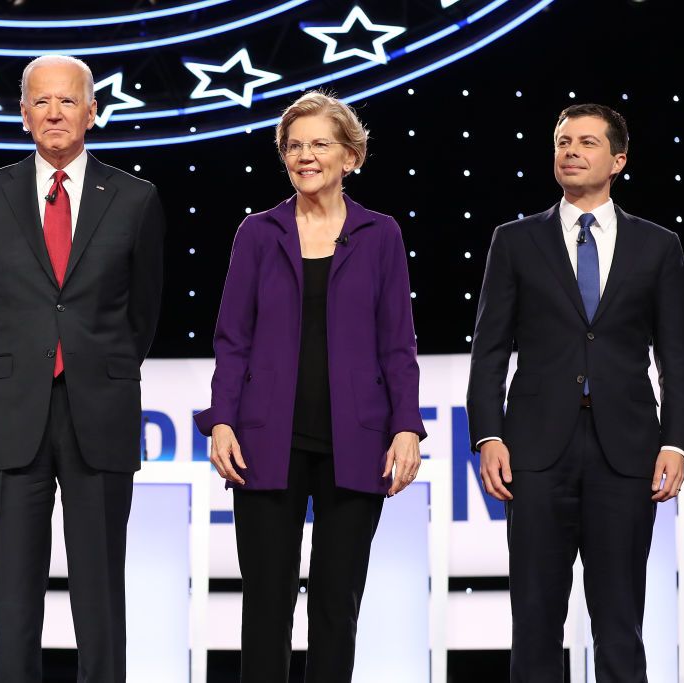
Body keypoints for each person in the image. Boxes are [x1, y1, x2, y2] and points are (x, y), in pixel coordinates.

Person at [194, 91, 425, 682]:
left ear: (350, 155)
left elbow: (398, 342)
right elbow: (232, 338)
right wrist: (222, 419)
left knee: (335, 604)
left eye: (320, 143)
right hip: (266, 440)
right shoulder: (257, 233)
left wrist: (406, 427)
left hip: (358, 441)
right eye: (294, 145)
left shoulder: (381, 234)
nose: (305, 155)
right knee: (265, 604)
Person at [0, 54, 165, 683]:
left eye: (67, 101)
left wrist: (100, 368)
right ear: (22, 114)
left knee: (100, 592)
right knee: (14, 595)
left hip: (100, 412)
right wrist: (11, 372)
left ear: (92, 111)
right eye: (40, 101)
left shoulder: (135, 198)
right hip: (15, 413)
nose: (53, 113)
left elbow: (143, 313)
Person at [467, 103, 684, 682]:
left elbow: (676, 354)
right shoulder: (515, 241)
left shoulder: (658, 246)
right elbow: (489, 349)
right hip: (536, 453)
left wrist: (676, 443)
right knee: (535, 619)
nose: (570, 150)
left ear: (618, 159)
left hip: (626, 450)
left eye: (587, 142)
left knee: (620, 620)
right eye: (563, 140)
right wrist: (488, 434)